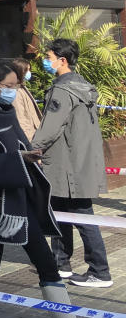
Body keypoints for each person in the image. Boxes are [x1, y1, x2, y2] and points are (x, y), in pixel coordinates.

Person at [0, 60, 111, 318]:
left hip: (20, 199)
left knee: (47, 266)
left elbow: (14, 148)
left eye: (17, 86)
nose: (14, 92)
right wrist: (20, 160)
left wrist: (27, 156)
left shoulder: (4, 111)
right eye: (10, 87)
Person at [32, 39, 112, 289]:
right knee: (59, 213)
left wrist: (32, 148)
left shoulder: (63, 91)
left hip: (66, 165)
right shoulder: (83, 87)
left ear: (62, 60)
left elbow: (52, 127)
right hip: (76, 162)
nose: (46, 60)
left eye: (48, 56)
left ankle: (100, 271)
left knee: (82, 215)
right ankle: (61, 263)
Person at [11, 58, 42, 142]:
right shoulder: (15, 91)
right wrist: (29, 142)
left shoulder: (21, 87)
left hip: (34, 134)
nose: (29, 73)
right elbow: (21, 118)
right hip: (29, 137)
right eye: (26, 70)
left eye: (29, 69)